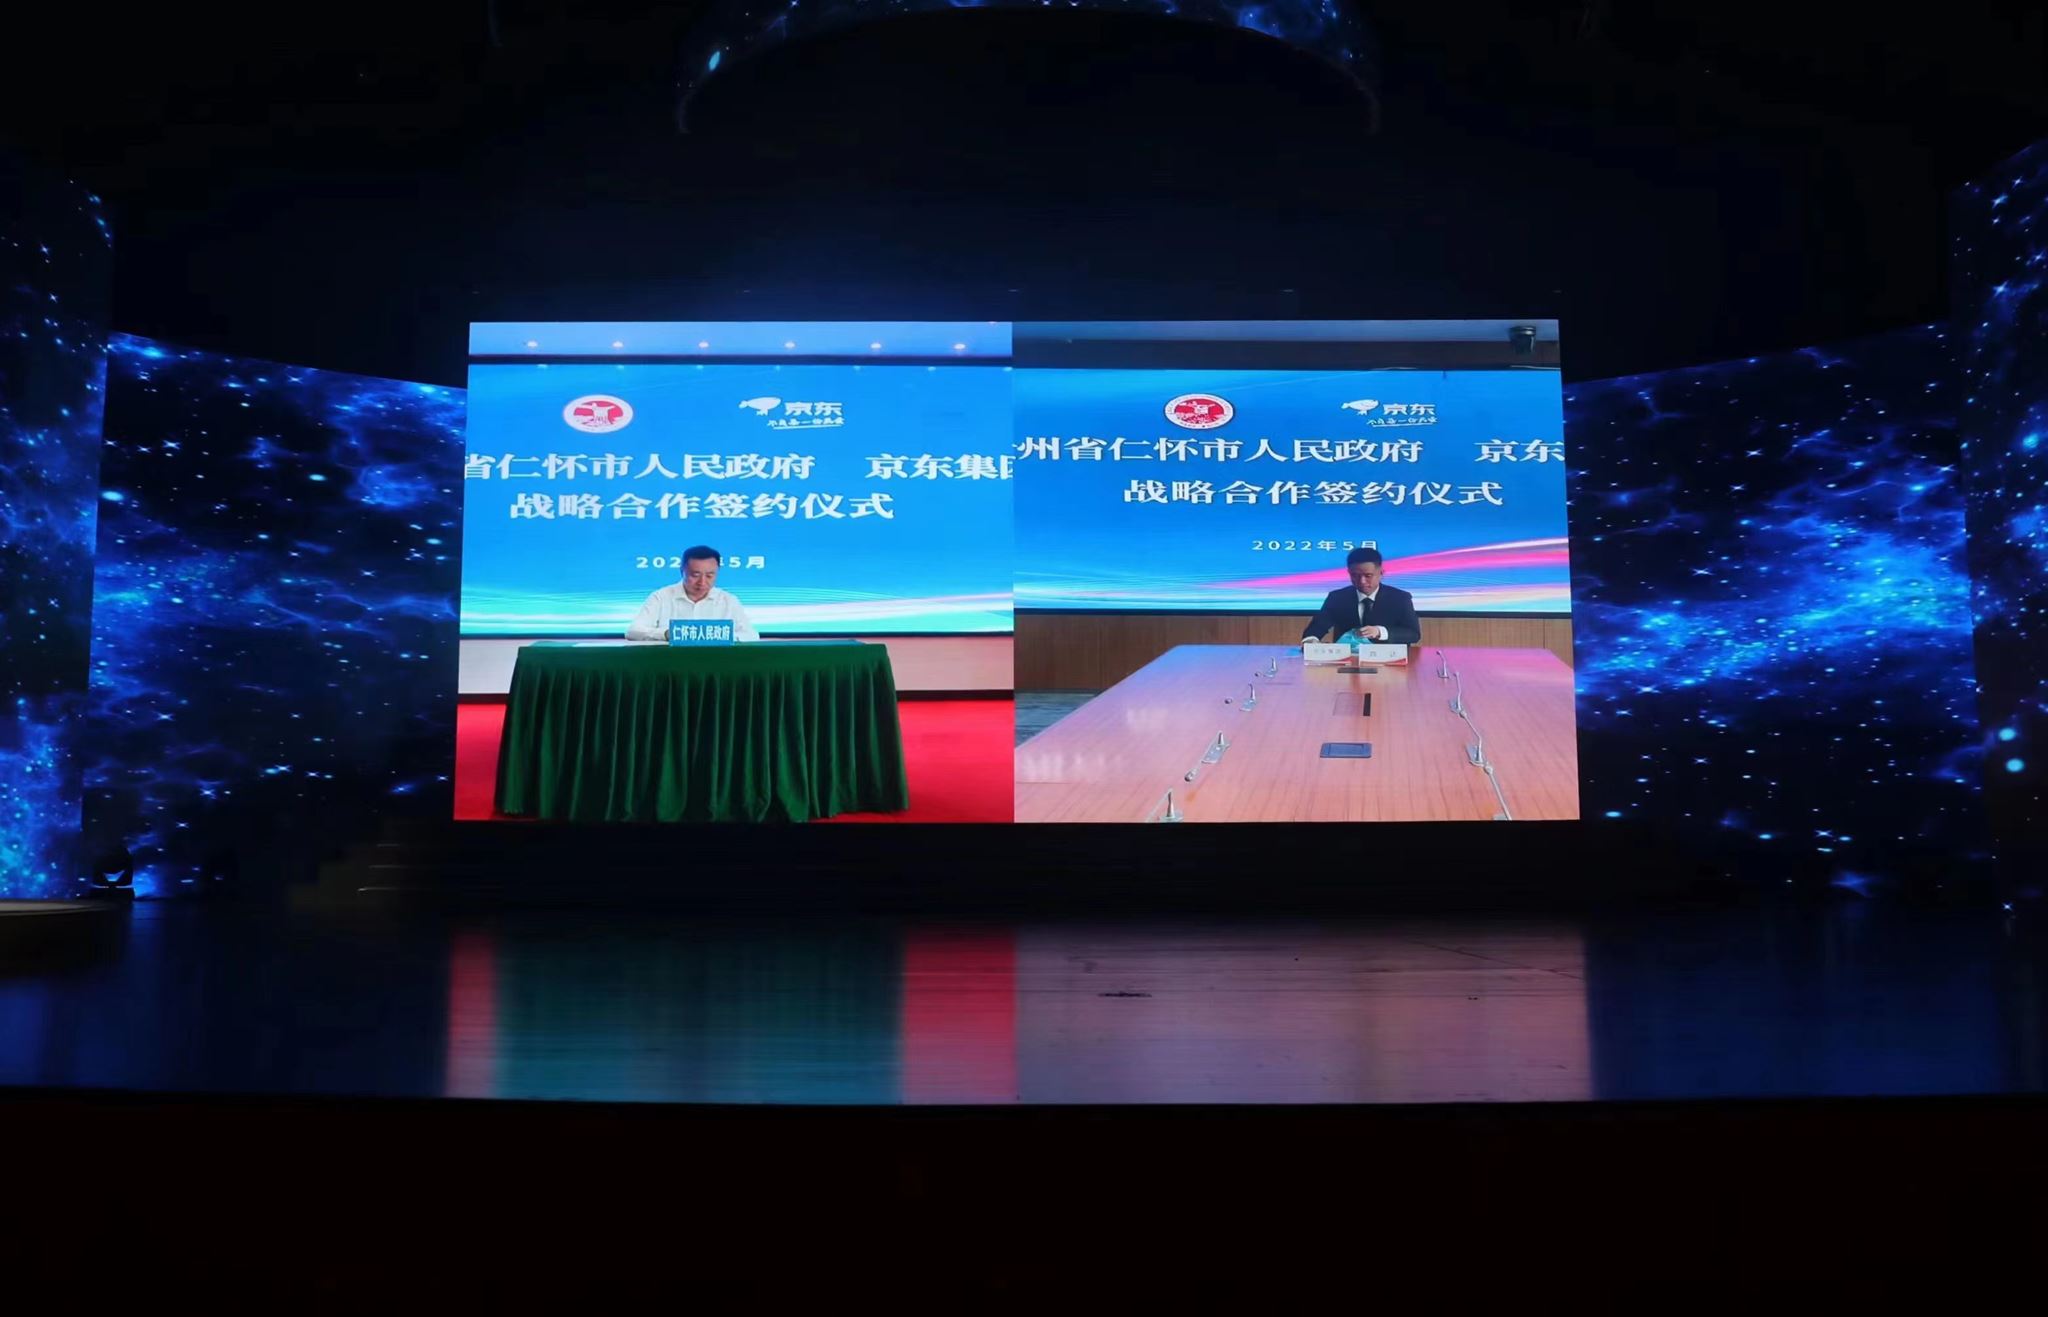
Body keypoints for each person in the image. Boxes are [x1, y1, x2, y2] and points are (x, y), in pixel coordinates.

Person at [624, 546, 760, 642]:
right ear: (682, 571)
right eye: (695, 575)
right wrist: (667, 634)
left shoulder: (728, 600)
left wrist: (717, 636)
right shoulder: (661, 597)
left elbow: (752, 635)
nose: (702, 582)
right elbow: (633, 631)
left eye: (710, 575)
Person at [1301, 546, 1421, 645]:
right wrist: (1311, 641)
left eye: (1368, 576)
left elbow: (1413, 634)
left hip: (1389, 660)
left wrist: (1379, 632)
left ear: (1381, 573)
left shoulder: (1400, 598)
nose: (1362, 581)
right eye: (1355, 576)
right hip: (1348, 661)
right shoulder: (1337, 598)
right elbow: (1316, 628)